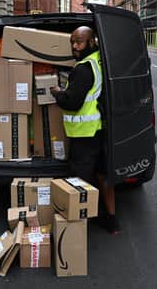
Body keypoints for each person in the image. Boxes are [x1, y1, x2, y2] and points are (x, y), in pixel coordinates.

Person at [49, 26, 120, 235]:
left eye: (79, 42)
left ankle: (76, 229)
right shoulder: (100, 60)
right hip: (98, 130)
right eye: (72, 42)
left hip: (83, 134)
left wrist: (57, 92)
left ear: (91, 42)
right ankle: (111, 222)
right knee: (103, 176)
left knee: (78, 182)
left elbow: (72, 103)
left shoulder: (82, 69)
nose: (74, 46)